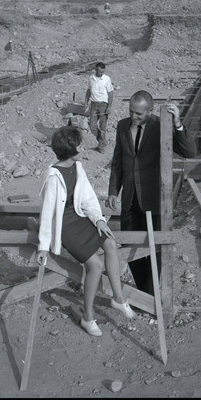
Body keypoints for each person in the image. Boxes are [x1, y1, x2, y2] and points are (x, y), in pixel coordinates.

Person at [37, 126, 136, 337]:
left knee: (110, 243)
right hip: (65, 226)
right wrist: (43, 247)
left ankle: (118, 299)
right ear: (70, 150)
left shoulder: (78, 166)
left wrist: (99, 220)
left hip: (80, 216)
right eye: (80, 144)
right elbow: (46, 214)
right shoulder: (54, 177)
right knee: (95, 265)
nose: (83, 146)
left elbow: (88, 197)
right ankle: (88, 317)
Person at [108, 90, 196, 295]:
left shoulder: (160, 126)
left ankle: (151, 295)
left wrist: (177, 124)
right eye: (131, 112)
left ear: (150, 110)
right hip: (130, 199)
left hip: (155, 200)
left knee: (156, 249)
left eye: (138, 114)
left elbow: (189, 152)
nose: (133, 117)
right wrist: (114, 191)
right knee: (128, 245)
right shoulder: (122, 126)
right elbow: (118, 161)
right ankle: (146, 291)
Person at [84, 62, 114, 153]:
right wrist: (86, 102)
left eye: (103, 72)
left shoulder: (106, 79)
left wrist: (109, 106)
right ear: (96, 70)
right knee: (93, 126)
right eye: (100, 72)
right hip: (93, 104)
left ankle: (101, 145)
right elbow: (88, 91)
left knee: (102, 127)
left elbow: (110, 93)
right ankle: (102, 141)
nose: (101, 74)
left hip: (103, 105)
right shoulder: (91, 78)